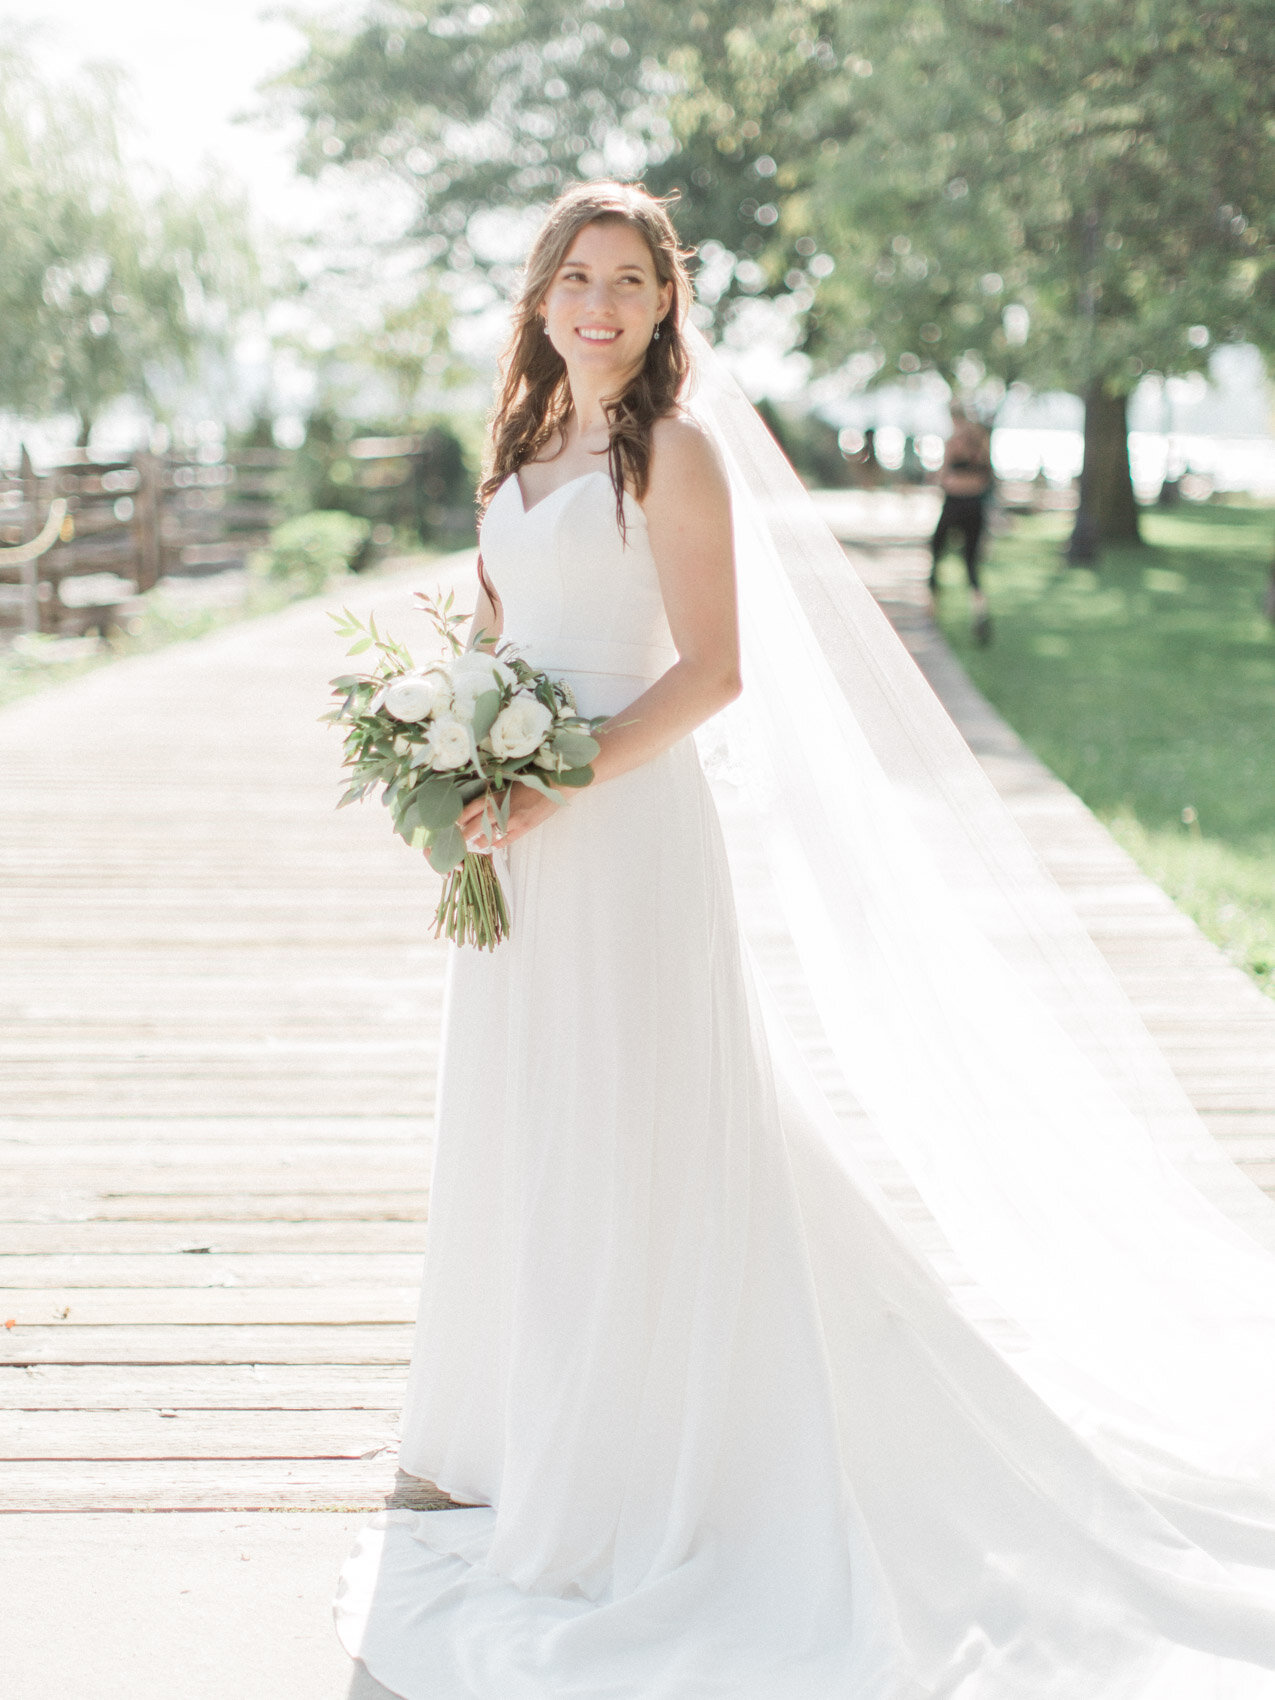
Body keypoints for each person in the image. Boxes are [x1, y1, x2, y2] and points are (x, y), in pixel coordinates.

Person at [335, 183, 1275, 1699]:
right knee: (529, 1122)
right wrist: (451, 755)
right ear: (538, 295)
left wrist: (550, 774)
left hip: (624, 831)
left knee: (637, 1127)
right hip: (517, 845)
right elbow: (497, 639)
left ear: (661, 306)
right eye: (574, 277)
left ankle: (651, 1458)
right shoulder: (519, 448)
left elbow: (712, 674)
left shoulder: (676, 456)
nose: (597, 304)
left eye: (627, 282)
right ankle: (513, 1433)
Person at [928, 406, 994, 643]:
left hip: (958, 505)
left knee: (939, 550)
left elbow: (945, 478)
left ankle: (935, 608)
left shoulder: (959, 444)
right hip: (972, 505)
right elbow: (983, 481)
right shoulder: (980, 445)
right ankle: (976, 610)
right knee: (967, 560)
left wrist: (954, 481)